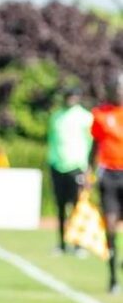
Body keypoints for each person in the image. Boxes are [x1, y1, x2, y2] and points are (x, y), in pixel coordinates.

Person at [47, 87, 93, 254]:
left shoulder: (85, 117)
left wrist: (88, 168)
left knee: (77, 207)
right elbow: (52, 140)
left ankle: (78, 244)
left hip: (77, 166)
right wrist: (51, 161)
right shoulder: (56, 116)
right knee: (60, 207)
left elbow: (92, 144)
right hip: (57, 166)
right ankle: (62, 243)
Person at [90, 75, 123, 293]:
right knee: (110, 227)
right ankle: (112, 277)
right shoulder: (101, 114)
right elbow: (94, 145)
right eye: (117, 88)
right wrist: (88, 171)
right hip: (109, 176)